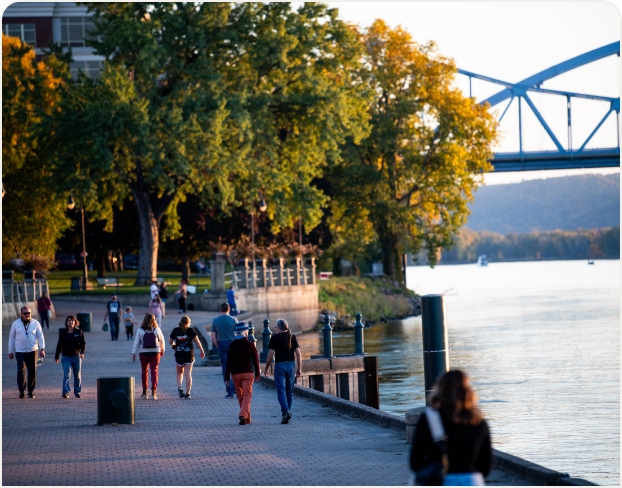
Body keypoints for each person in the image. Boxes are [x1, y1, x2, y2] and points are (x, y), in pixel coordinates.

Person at [410, 369, 492, 486]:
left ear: (440, 389)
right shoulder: (479, 421)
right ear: (468, 391)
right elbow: (486, 465)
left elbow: (415, 460)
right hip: (471, 480)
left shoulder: (429, 418)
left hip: (439, 480)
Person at [264, 318, 302, 424]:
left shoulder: (275, 338)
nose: (275, 329)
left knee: (281, 390)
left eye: (276, 327)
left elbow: (270, 355)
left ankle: (285, 412)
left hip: (279, 366)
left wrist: (266, 368)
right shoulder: (292, 337)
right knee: (289, 392)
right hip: (291, 366)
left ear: (279, 328)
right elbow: (298, 354)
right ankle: (287, 413)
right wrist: (299, 368)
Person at [225, 322, 260, 425]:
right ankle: (243, 415)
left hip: (235, 375)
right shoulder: (250, 344)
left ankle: (246, 419)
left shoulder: (232, 345)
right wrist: (257, 373)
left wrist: (227, 377)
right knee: (247, 395)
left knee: (241, 397)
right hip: (248, 373)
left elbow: (229, 362)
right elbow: (255, 360)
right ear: (245, 332)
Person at [8, 307, 45, 398]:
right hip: (20, 351)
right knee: (21, 370)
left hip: (33, 351)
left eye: (29, 313)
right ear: (21, 314)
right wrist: (10, 351)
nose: (27, 315)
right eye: (25, 313)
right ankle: (22, 391)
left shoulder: (35, 323)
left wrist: (42, 349)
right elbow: (11, 337)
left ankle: (31, 391)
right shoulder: (16, 323)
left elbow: (40, 336)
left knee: (32, 371)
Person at [169, 316, 205, 399]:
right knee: (188, 373)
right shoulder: (191, 330)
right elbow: (197, 341)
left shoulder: (175, 330)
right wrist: (202, 351)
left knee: (179, 373)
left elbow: (170, 341)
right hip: (189, 354)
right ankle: (188, 394)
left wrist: (175, 345)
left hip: (179, 355)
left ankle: (180, 387)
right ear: (188, 323)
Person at [132, 313, 165, 400]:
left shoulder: (140, 329)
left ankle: (144, 393)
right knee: (154, 372)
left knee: (144, 371)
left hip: (144, 353)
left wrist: (133, 353)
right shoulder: (157, 329)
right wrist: (162, 350)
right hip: (155, 353)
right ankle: (154, 393)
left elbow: (136, 342)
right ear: (154, 320)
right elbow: (162, 340)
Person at [55, 315, 86, 399]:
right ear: (66, 322)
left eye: (72, 320)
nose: (70, 322)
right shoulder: (63, 333)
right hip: (66, 357)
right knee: (67, 375)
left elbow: (83, 343)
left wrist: (82, 353)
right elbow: (59, 345)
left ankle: (77, 392)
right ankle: (66, 392)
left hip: (76, 357)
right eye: (69, 320)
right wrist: (57, 356)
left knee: (77, 376)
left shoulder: (79, 332)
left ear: (75, 322)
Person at [211, 303, 237, 398]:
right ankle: (236, 389)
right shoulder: (234, 320)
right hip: (233, 344)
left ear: (220, 310)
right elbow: (238, 334)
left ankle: (230, 391)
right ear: (229, 310)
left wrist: (218, 346)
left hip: (222, 344)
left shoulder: (215, 320)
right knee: (234, 367)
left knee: (226, 368)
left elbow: (213, 337)